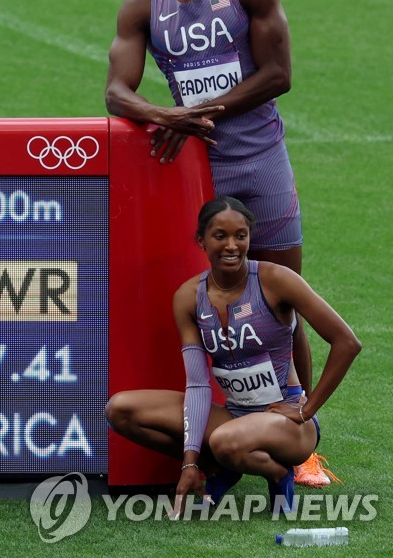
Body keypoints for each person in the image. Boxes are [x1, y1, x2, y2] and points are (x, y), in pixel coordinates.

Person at [104, 0, 332, 487]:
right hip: (197, 173)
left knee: (285, 300)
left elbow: (279, 73)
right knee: (218, 305)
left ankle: (301, 442)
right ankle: (225, 433)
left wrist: (199, 115)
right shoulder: (142, 4)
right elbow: (116, 91)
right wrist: (165, 116)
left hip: (261, 164)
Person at [104, 197, 359, 515]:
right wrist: (190, 462)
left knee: (225, 439)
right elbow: (198, 385)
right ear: (201, 240)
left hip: (287, 422)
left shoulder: (276, 280)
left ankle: (278, 472)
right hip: (234, 417)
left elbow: (347, 342)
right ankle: (219, 466)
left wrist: (307, 409)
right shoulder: (188, 297)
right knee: (120, 410)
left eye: (241, 235)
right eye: (220, 235)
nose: (232, 245)